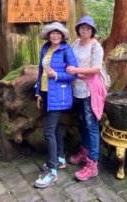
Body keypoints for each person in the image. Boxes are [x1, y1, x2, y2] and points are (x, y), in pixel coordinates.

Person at [34, 22, 78, 189]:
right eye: (52, 33)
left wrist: (57, 75)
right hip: (46, 92)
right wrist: (38, 92)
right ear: (48, 35)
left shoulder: (66, 50)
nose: (55, 36)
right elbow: (40, 71)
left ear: (62, 36)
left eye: (58, 34)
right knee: (55, 127)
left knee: (48, 131)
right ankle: (59, 158)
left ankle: (52, 171)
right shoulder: (45, 48)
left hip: (59, 95)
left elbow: (74, 75)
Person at [66, 16, 106, 181]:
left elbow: (96, 69)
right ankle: (85, 151)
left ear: (92, 31)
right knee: (83, 122)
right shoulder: (75, 43)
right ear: (78, 29)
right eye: (82, 28)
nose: (85, 30)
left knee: (91, 126)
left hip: (90, 90)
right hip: (77, 88)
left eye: (88, 28)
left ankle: (93, 163)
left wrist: (75, 70)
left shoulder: (96, 46)